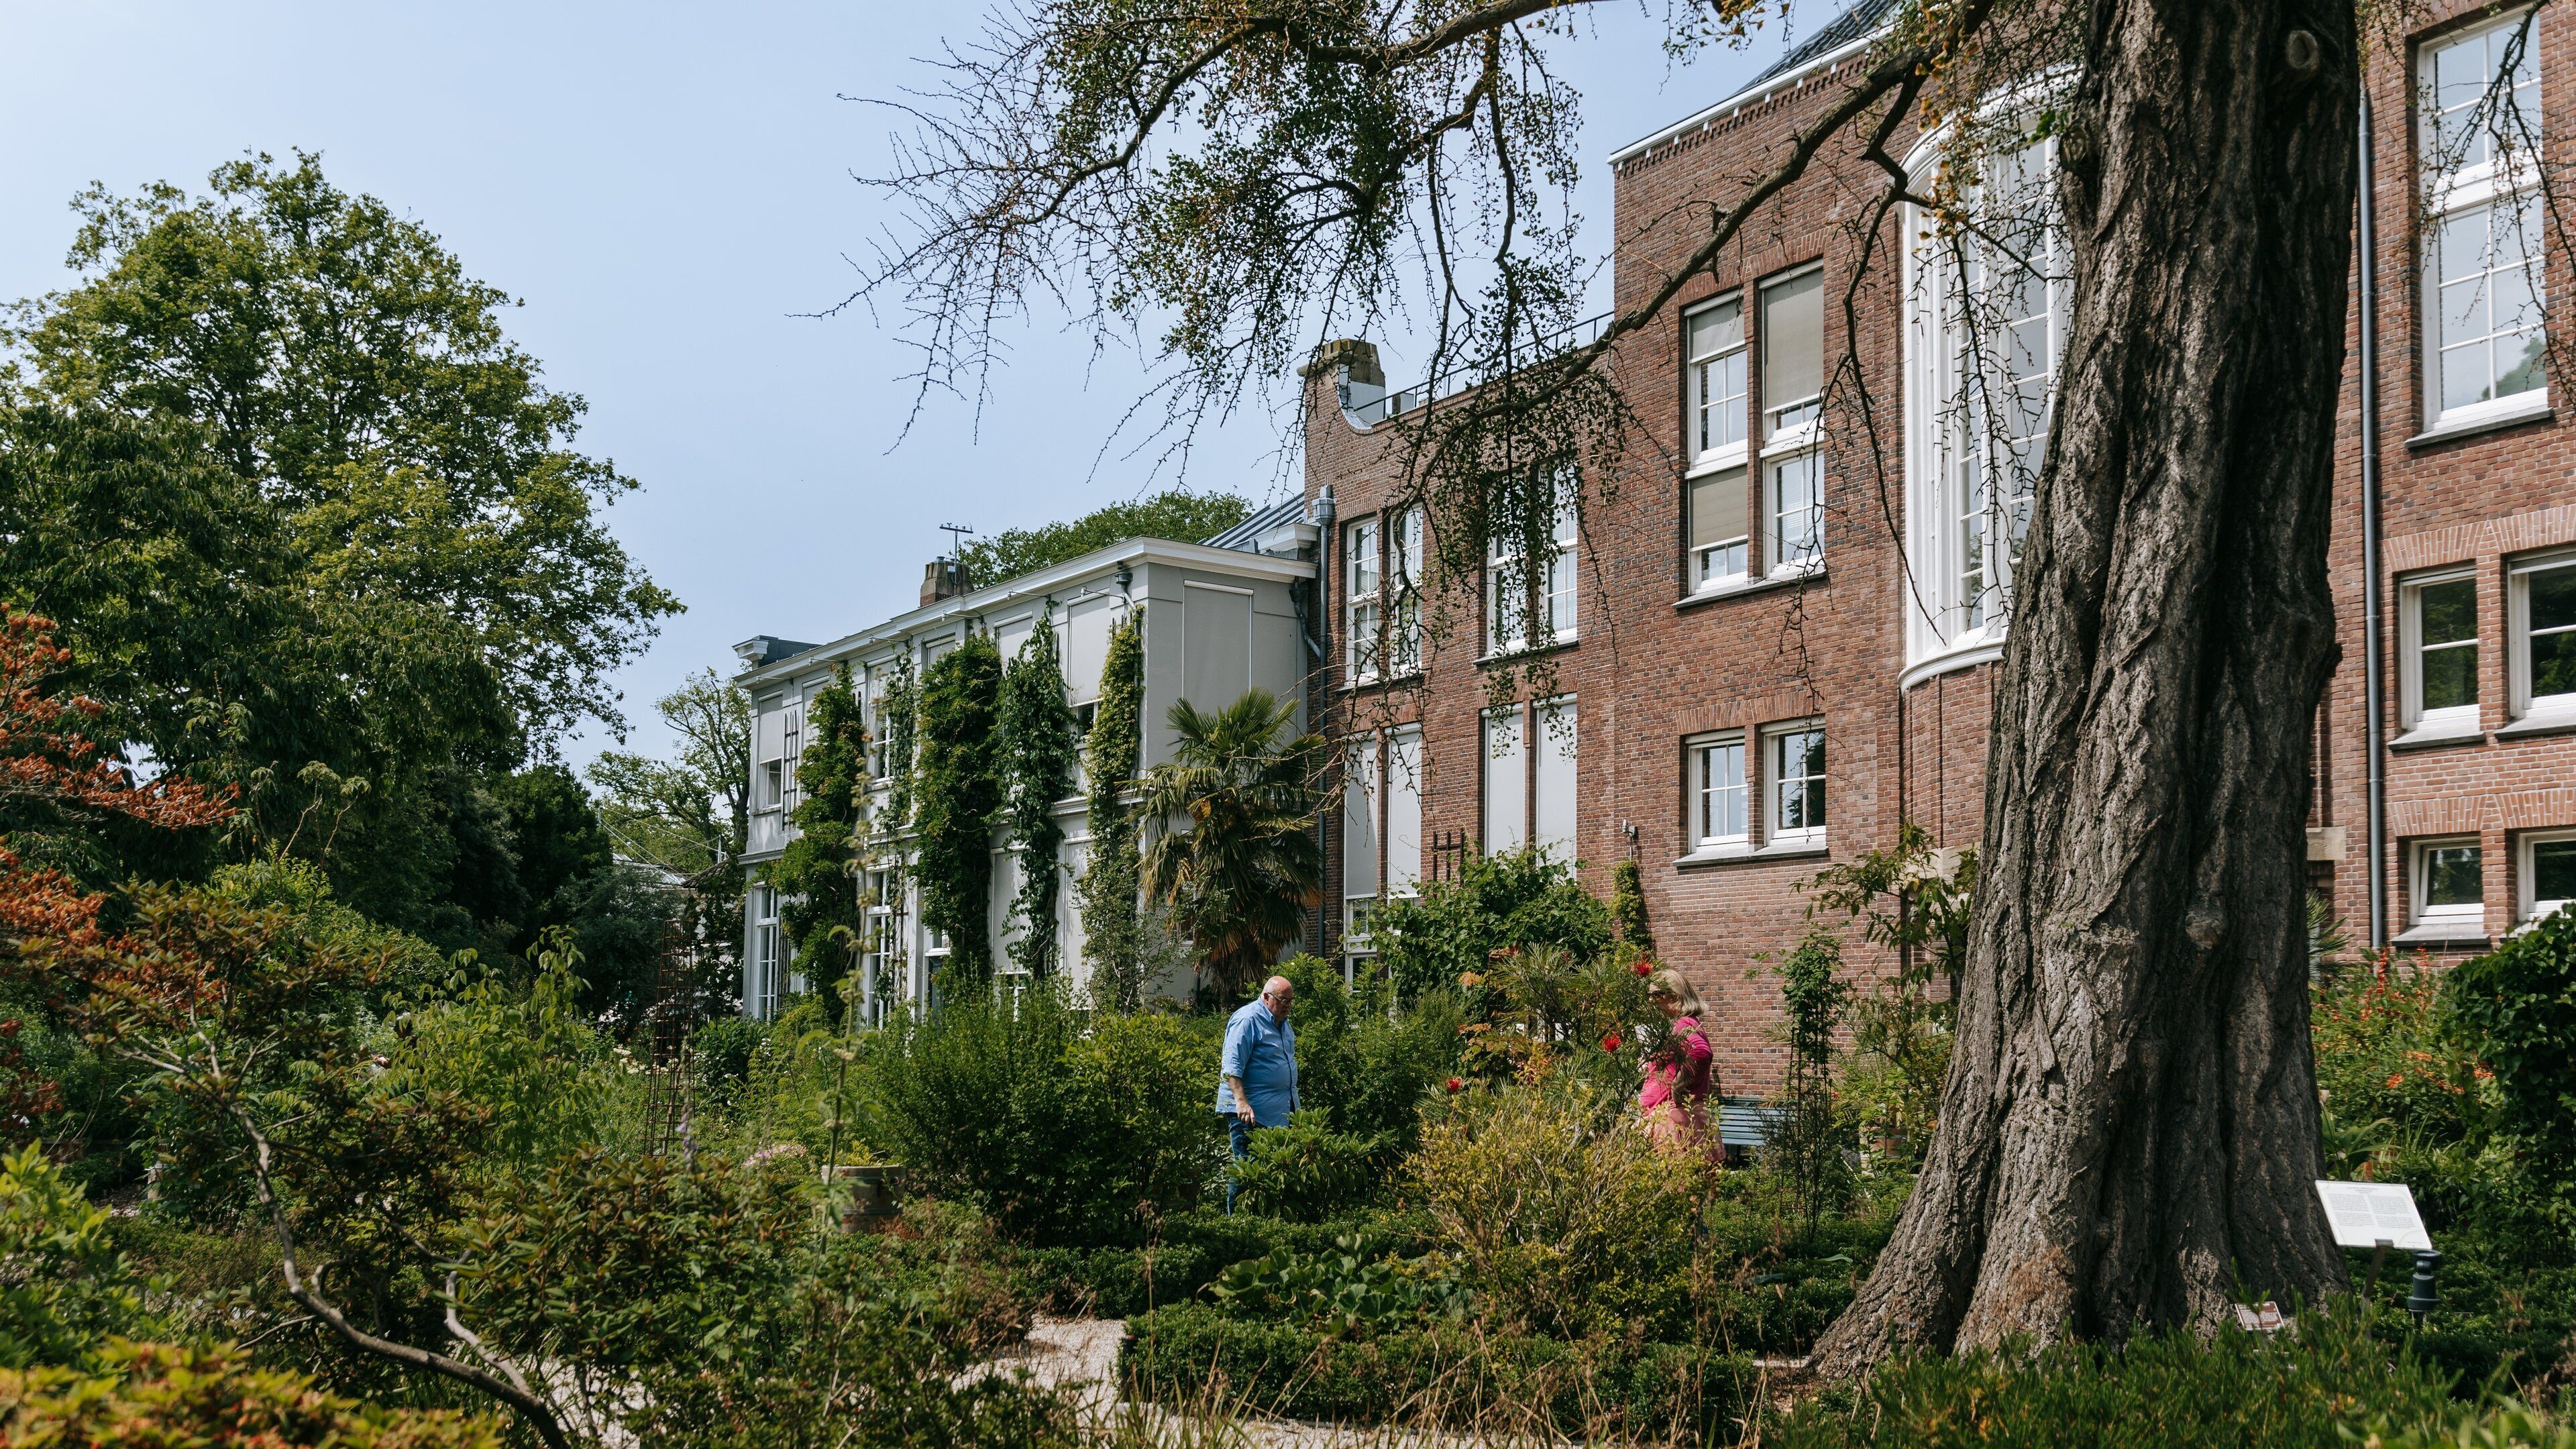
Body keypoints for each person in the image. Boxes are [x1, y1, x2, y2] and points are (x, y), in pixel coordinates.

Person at [1216, 974, 1299, 1212]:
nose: (1287, 1006)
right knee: (1246, 1172)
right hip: (1249, 1114)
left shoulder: (1283, 1023)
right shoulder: (1248, 1019)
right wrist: (1241, 1103)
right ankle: (1237, 1223)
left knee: (1271, 1174)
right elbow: (1231, 1066)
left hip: (1277, 1114)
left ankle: (1263, 1224)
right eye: (1283, 1000)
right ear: (1266, 997)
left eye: (1290, 1001)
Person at [1639, 967, 1715, 1152]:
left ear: (1675, 995)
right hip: (1671, 1115)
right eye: (1649, 995)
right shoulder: (1684, 1024)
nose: (1651, 1001)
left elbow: (1701, 1053)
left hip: (1673, 1119)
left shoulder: (1683, 1024)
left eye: (1657, 995)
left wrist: (1678, 1087)